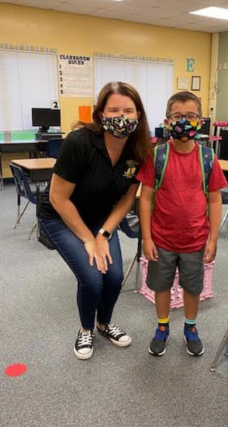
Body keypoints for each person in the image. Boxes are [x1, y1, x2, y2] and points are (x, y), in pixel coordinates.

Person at [39, 82, 151, 360]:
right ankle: (86, 329)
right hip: (61, 217)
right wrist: (88, 240)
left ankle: (104, 324)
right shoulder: (79, 143)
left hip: (99, 218)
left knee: (113, 276)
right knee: (91, 279)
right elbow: (58, 198)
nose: (122, 117)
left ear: (138, 115)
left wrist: (103, 234)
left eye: (128, 111)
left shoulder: (138, 150)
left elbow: (127, 198)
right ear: (100, 114)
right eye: (113, 110)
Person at [137, 91, 227, 357]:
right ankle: (162, 327)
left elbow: (214, 200)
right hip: (161, 239)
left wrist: (213, 239)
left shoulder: (208, 158)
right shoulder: (157, 156)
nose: (185, 122)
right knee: (161, 286)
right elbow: (145, 199)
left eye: (191, 116)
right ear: (167, 121)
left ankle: (190, 327)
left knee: (192, 287)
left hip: (195, 240)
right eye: (178, 116)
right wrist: (147, 238)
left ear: (201, 121)